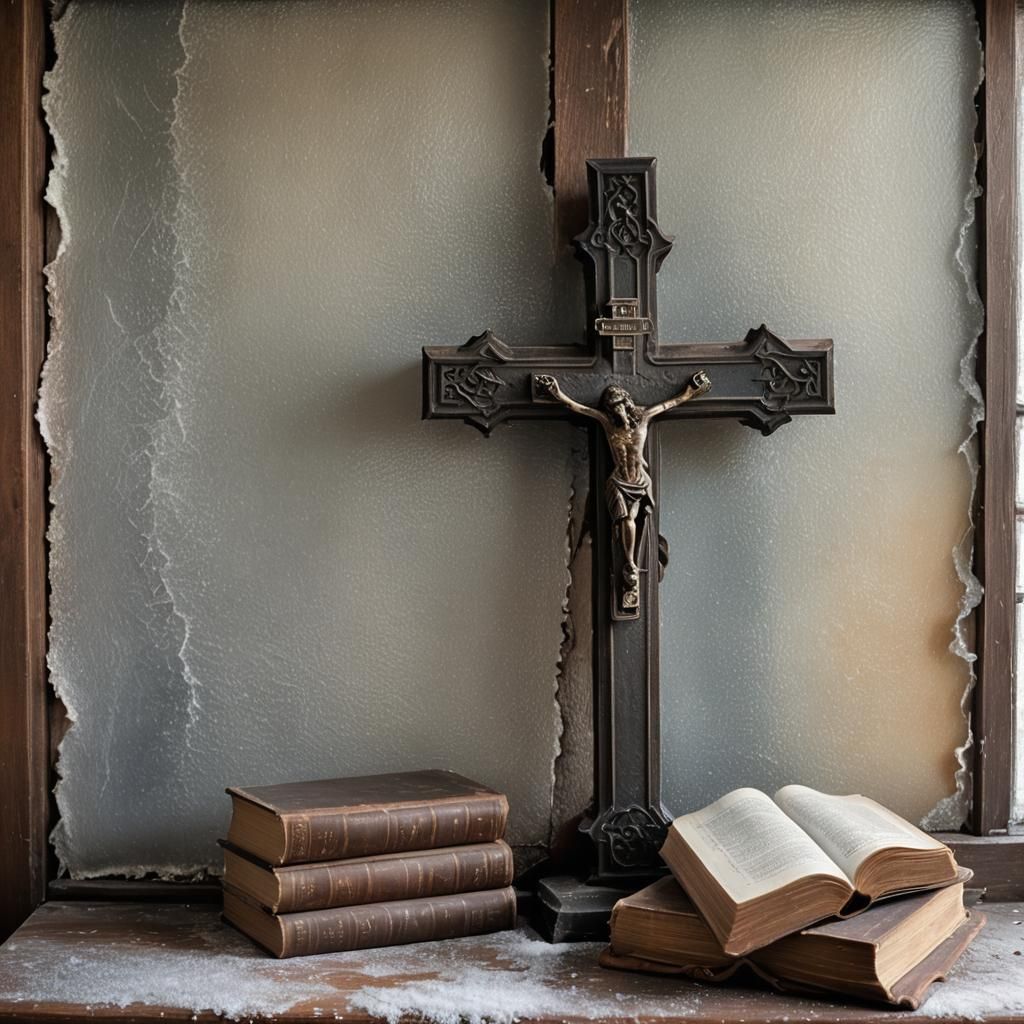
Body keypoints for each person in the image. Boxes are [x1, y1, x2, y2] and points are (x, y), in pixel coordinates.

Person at [535, 371, 711, 595]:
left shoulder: (644, 419)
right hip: (619, 481)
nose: (616, 410)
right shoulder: (608, 426)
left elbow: (670, 404)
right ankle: (630, 564)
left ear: (627, 404)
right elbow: (579, 408)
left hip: (638, 482)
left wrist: (691, 392)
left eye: (619, 405)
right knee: (624, 520)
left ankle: (631, 564)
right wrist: (556, 394)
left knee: (632, 519)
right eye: (612, 407)